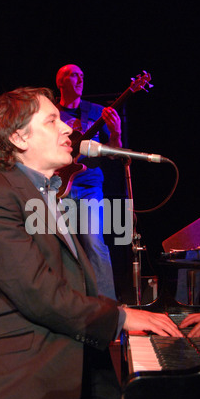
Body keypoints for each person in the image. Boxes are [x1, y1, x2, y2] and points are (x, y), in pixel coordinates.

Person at [0, 87, 182, 399]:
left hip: (60, 380)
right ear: (19, 137)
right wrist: (122, 316)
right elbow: (38, 293)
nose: (68, 129)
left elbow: (69, 286)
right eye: (52, 121)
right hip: (15, 391)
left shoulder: (46, 196)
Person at [56, 64, 122, 300]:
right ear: (60, 82)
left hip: (88, 186)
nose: (80, 79)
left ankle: (108, 307)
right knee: (57, 247)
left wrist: (116, 133)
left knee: (94, 242)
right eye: (73, 75)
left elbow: (114, 154)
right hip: (56, 187)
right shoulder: (50, 114)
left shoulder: (96, 112)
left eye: (82, 75)